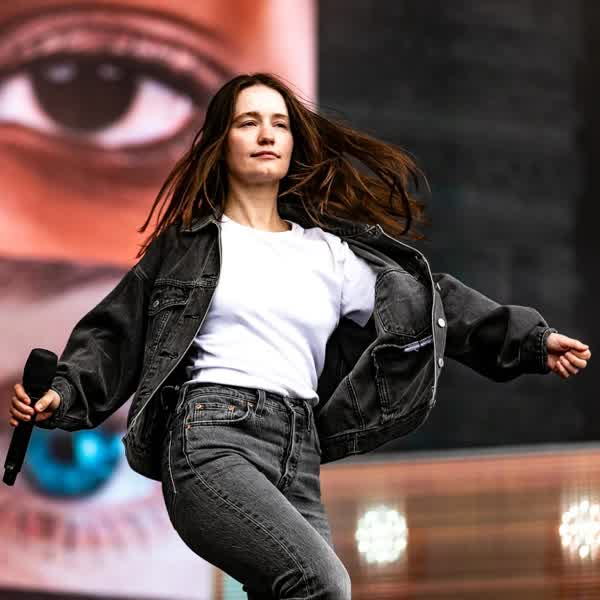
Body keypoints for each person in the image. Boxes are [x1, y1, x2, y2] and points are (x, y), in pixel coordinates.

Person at [9, 72, 592, 599]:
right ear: (221, 143)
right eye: (248, 122)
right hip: (211, 439)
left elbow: (428, 303)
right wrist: (65, 390)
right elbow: (115, 331)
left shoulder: (329, 255)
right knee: (321, 584)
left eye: (280, 124)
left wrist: (527, 340)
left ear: (293, 144)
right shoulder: (189, 247)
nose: (267, 134)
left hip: (299, 451)